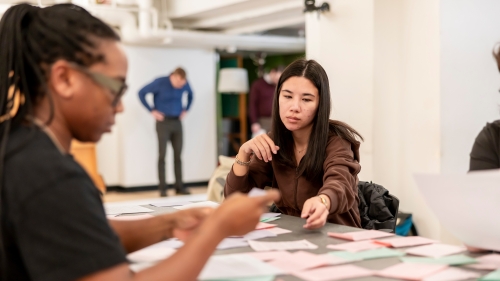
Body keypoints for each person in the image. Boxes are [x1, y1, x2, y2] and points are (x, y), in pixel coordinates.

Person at [0, 4, 280, 281]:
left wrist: (170, 223)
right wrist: (217, 229)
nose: (120, 107)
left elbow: (84, 235)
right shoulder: (49, 175)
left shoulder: (16, 145)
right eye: (116, 88)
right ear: (64, 79)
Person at [225, 59, 363, 229]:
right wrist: (243, 153)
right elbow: (234, 199)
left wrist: (323, 201)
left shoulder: (337, 141)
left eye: (306, 99)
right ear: (278, 97)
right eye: (287, 96)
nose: (294, 107)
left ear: (320, 104)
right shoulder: (274, 141)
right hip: (291, 237)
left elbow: (340, 183)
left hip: (337, 237)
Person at [138, 67, 193, 196]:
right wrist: (151, 110)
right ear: (173, 76)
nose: (180, 86)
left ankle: (179, 187)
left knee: (178, 155)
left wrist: (186, 109)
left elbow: (191, 95)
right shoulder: (160, 82)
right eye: (178, 83)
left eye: (182, 84)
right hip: (163, 122)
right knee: (162, 155)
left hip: (177, 122)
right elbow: (141, 93)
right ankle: (162, 189)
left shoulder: (185, 83)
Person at [249, 66, 284, 136]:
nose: (278, 81)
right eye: (277, 78)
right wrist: (254, 122)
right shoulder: (258, 85)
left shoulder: (280, 85)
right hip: (262, 122)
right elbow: (252, 104)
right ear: (272, 72)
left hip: (277, 122)